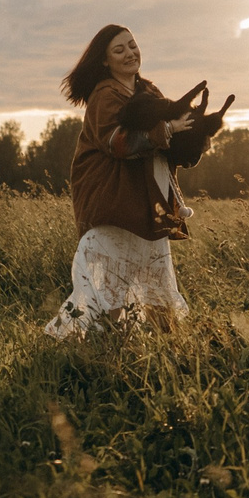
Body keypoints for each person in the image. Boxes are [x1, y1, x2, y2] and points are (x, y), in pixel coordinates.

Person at [43, 24, 197, 338]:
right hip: (112, 204)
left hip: (144, 206)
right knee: (108, 286)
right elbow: (118, 143)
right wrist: (166, 131)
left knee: (156, 285)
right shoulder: (104, 94)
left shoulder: (148, 91)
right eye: (119, 49)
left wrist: (192, 135)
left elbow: (170, 137)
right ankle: (109, 349)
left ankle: (167, 349)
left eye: (132, 45)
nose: (130, 53)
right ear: (105, 61)